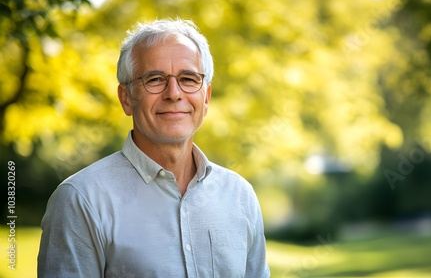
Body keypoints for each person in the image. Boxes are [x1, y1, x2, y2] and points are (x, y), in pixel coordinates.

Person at [38, 18, 270, 278]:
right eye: (155, 79)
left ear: (206, 98)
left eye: (189, 78)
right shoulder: (81, 199)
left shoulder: (239, 195)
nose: (174, 93)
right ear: (126, 98)